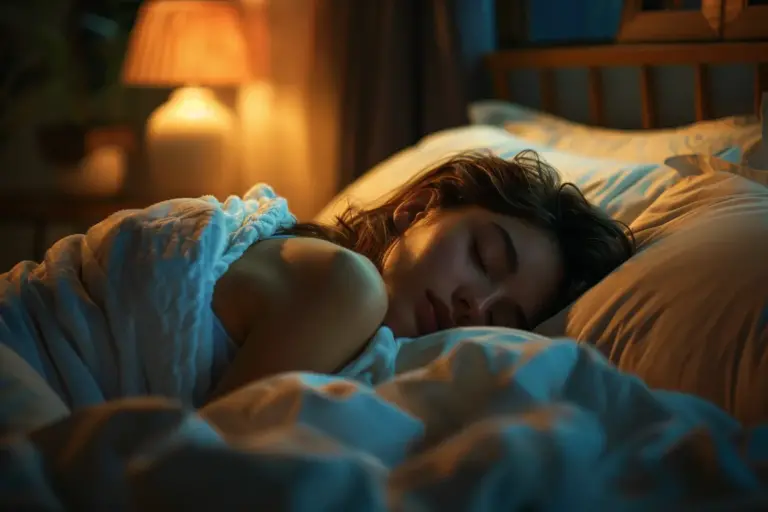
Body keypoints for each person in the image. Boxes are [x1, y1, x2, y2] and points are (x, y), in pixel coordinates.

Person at [211, 150, 635, 397]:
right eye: (482, 257)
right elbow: (202, 468)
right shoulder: (347, 282)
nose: (476, 305)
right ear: (416, 209)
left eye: (501, 319)